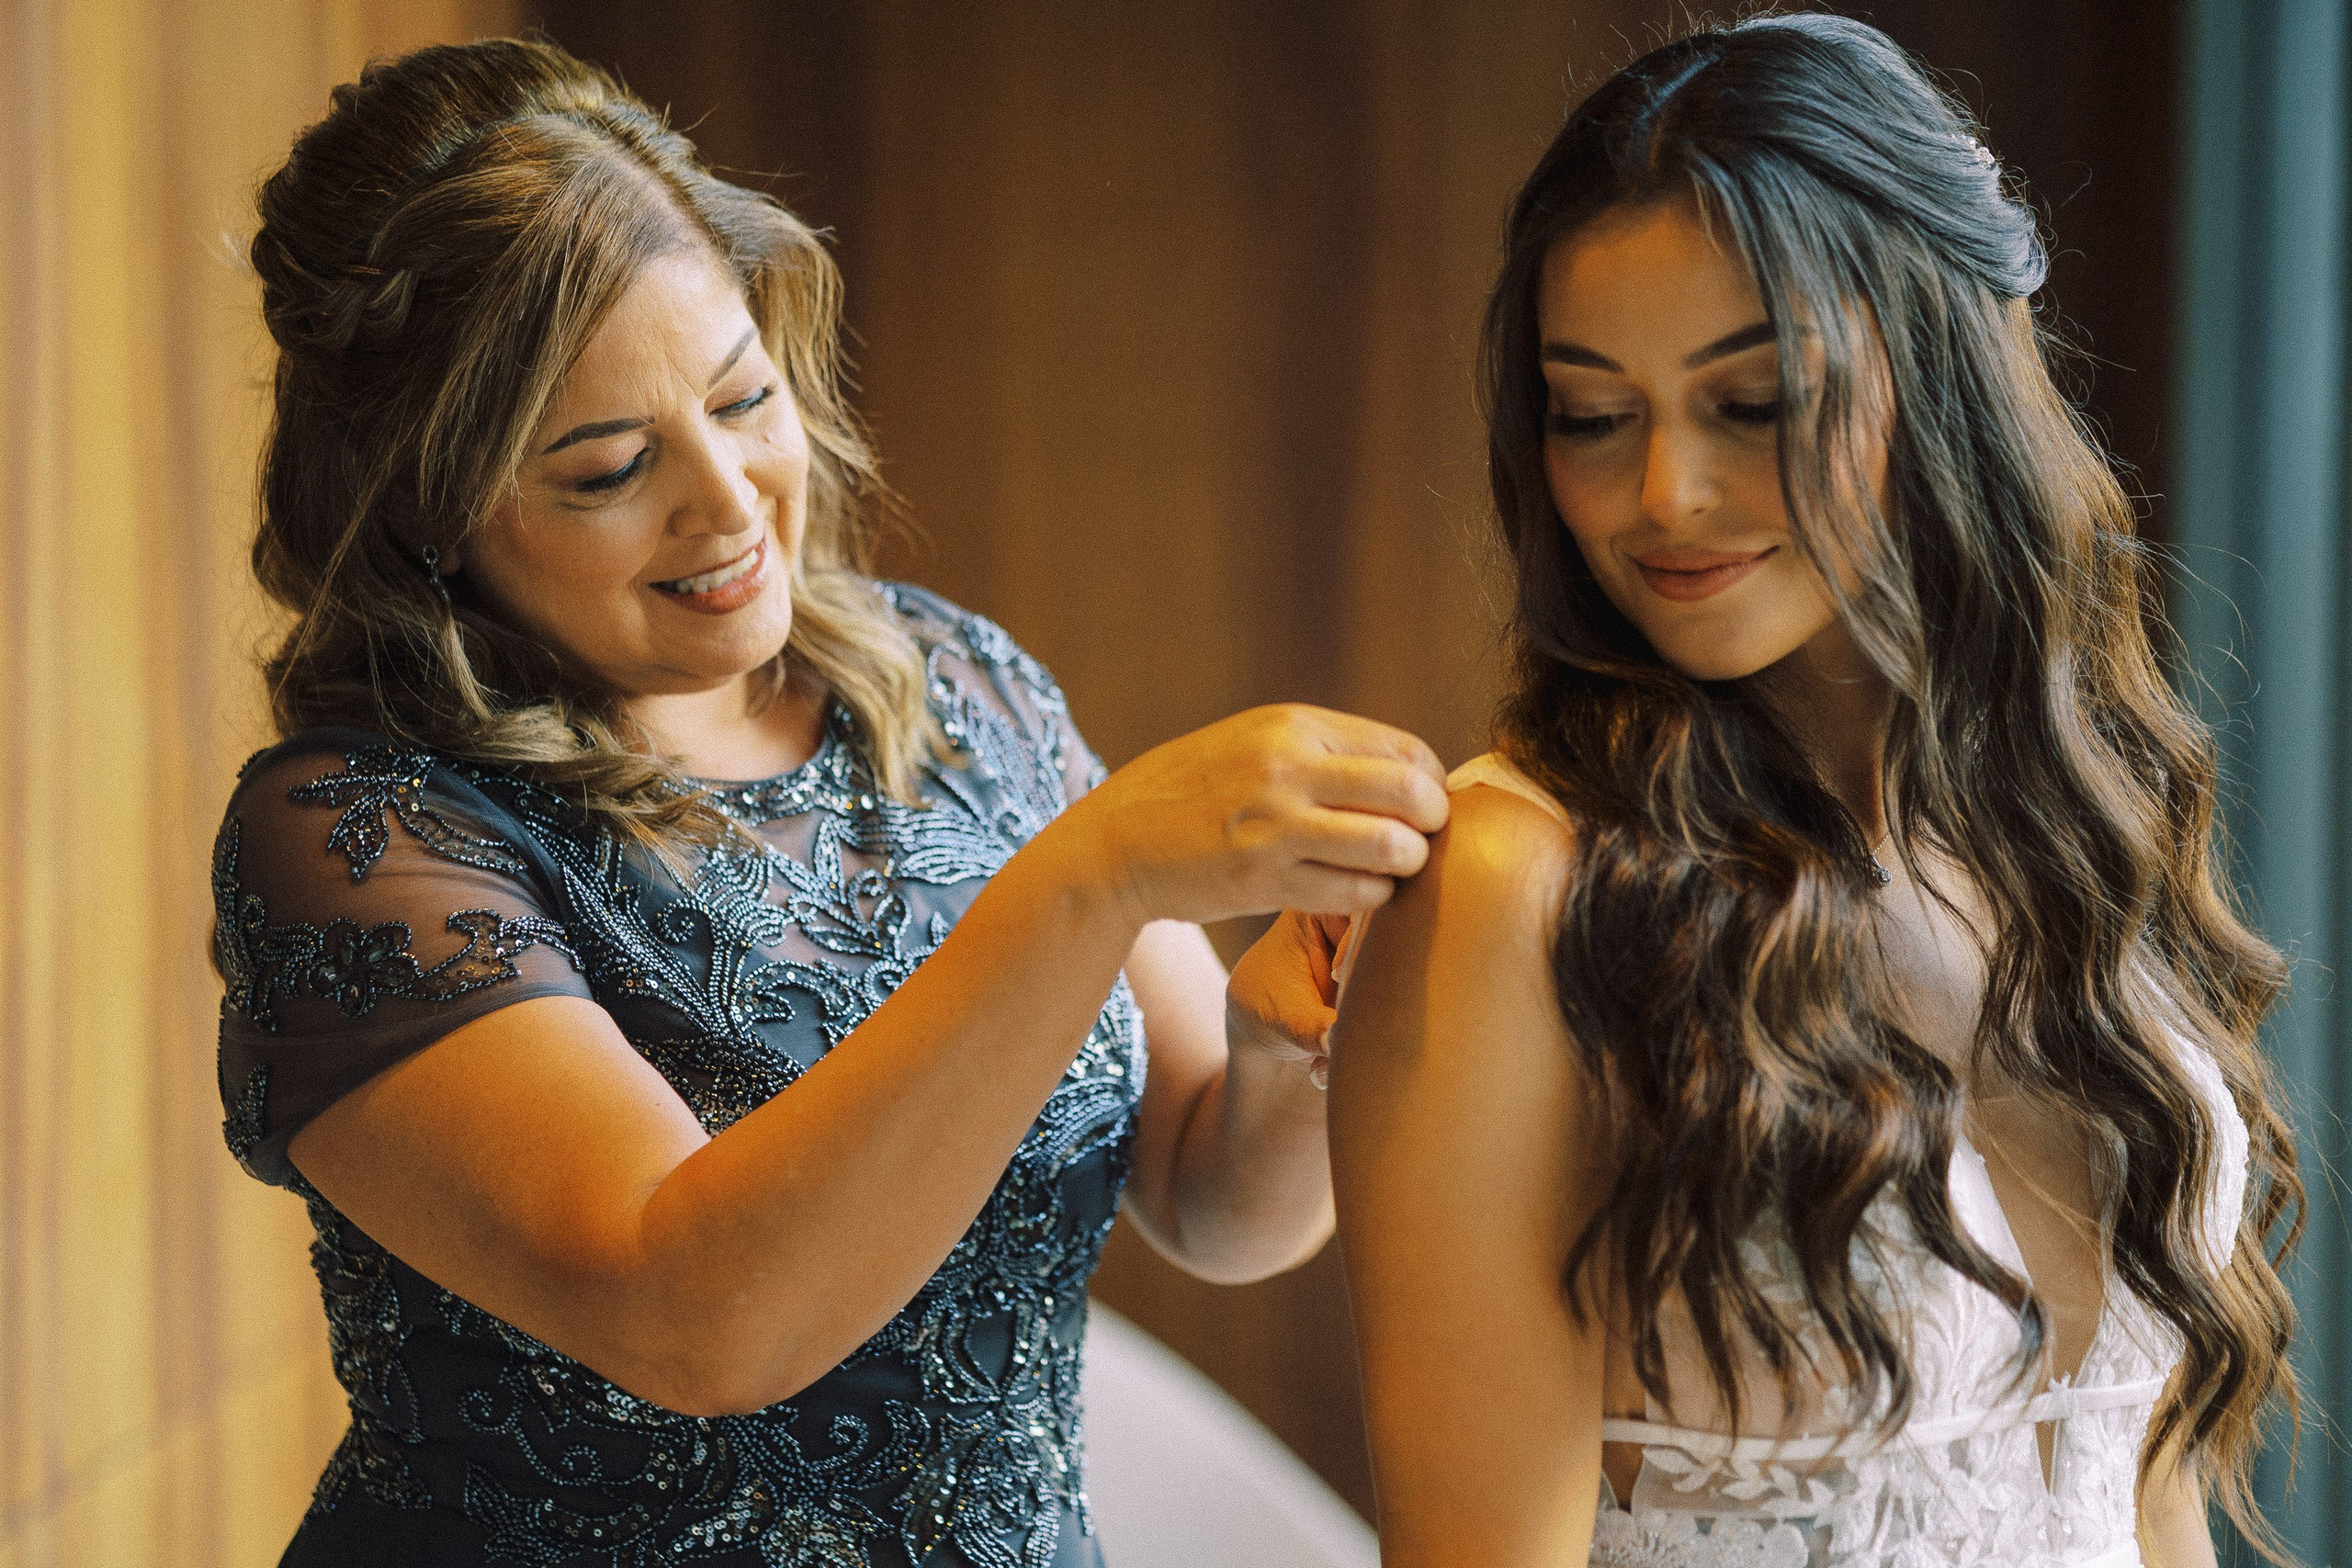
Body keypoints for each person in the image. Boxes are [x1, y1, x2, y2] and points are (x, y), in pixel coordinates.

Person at [213, 39, 1445, 1568]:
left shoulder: (949, 684)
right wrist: (1089, 877)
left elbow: (1213, 1201)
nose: (728, 501)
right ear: (422, 507)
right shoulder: (365, 834)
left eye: (745, 397)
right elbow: (698, 1320)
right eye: (607, 469)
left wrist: (1285, 1048)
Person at [1328, 15, 2300, 1568]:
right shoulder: (1521, 885)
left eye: (1755, 400)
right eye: (1591, 414)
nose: (1663, 495)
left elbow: (2145, 1492)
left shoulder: (2054, 825)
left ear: (1943, 369)